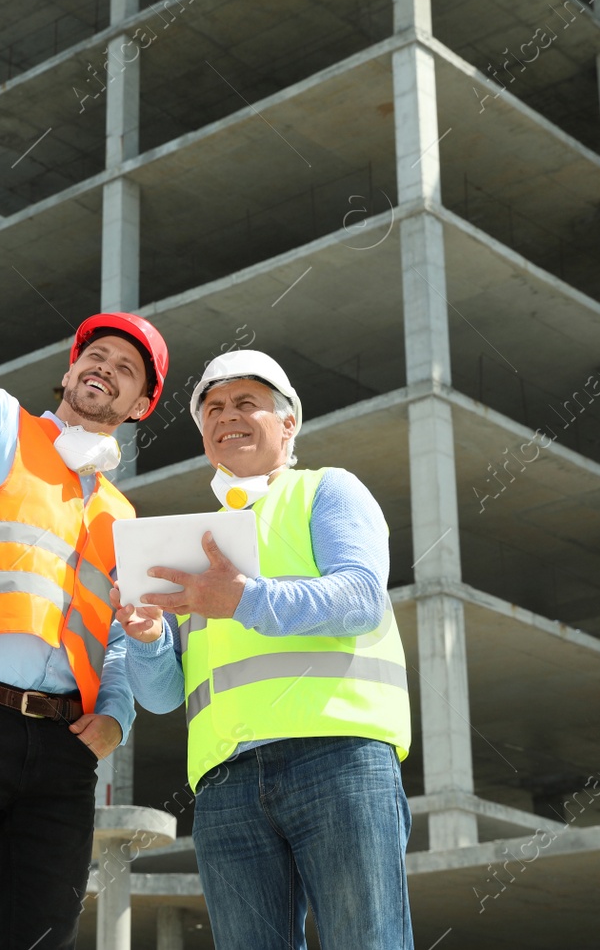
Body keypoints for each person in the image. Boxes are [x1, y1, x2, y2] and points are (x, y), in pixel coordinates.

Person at [0, 150, 170, 949]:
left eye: (125, 371)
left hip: (61, 751)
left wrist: (114, 716)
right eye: (96, 356)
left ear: (140, 404)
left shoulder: (125, 516)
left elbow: (120, 638)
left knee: (44, 939)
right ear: (69, 368)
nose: (104, 372)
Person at [116, 349, 414, 949]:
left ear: (288, 423)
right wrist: (147, 641)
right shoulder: (194, 542)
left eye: (247, 403)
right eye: (215, 409)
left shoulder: (327, 492)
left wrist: (243, 600)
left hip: (337, 758)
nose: (229, 416)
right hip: (226, 784)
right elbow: (164, 697)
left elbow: (360, 596)